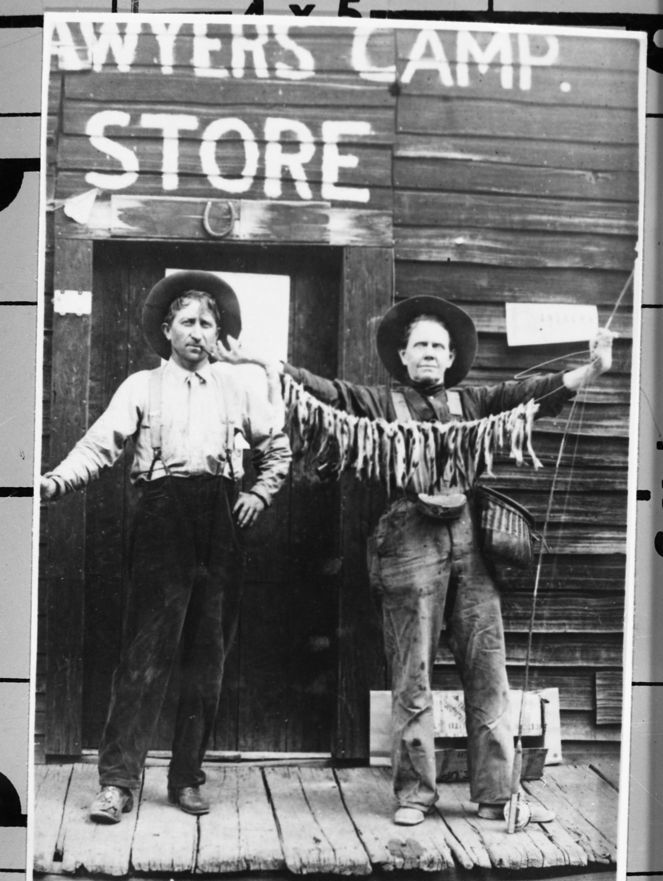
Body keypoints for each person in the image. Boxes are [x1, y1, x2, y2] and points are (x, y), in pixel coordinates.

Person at [247, 294, 613, 827]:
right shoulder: (378, 403)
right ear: (403, 355)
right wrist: (269, 365)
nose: (429, 353)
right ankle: (415, 795)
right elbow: (327, 393)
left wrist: (594, 368)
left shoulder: (476, 403)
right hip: (406, 538)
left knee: (487, 667)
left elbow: (535, 394)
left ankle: (495, 795)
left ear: (450, 357)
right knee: (411, 671)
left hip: (470, 541)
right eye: (420, 345)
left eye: (438, 347)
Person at [40, 271, 291, 823]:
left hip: (221, 526)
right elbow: (98, 446)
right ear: (167, 330)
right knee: (144, 657)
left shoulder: (238, 388)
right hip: (162, 523)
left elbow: (278, 449)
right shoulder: (141, 387)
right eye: (187, 322)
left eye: (208, 324)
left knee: (208, 659)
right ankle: (117, 783)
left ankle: (186, 779)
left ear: (218, 333)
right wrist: (57, 482)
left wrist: (259, 493)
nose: (198, 332)